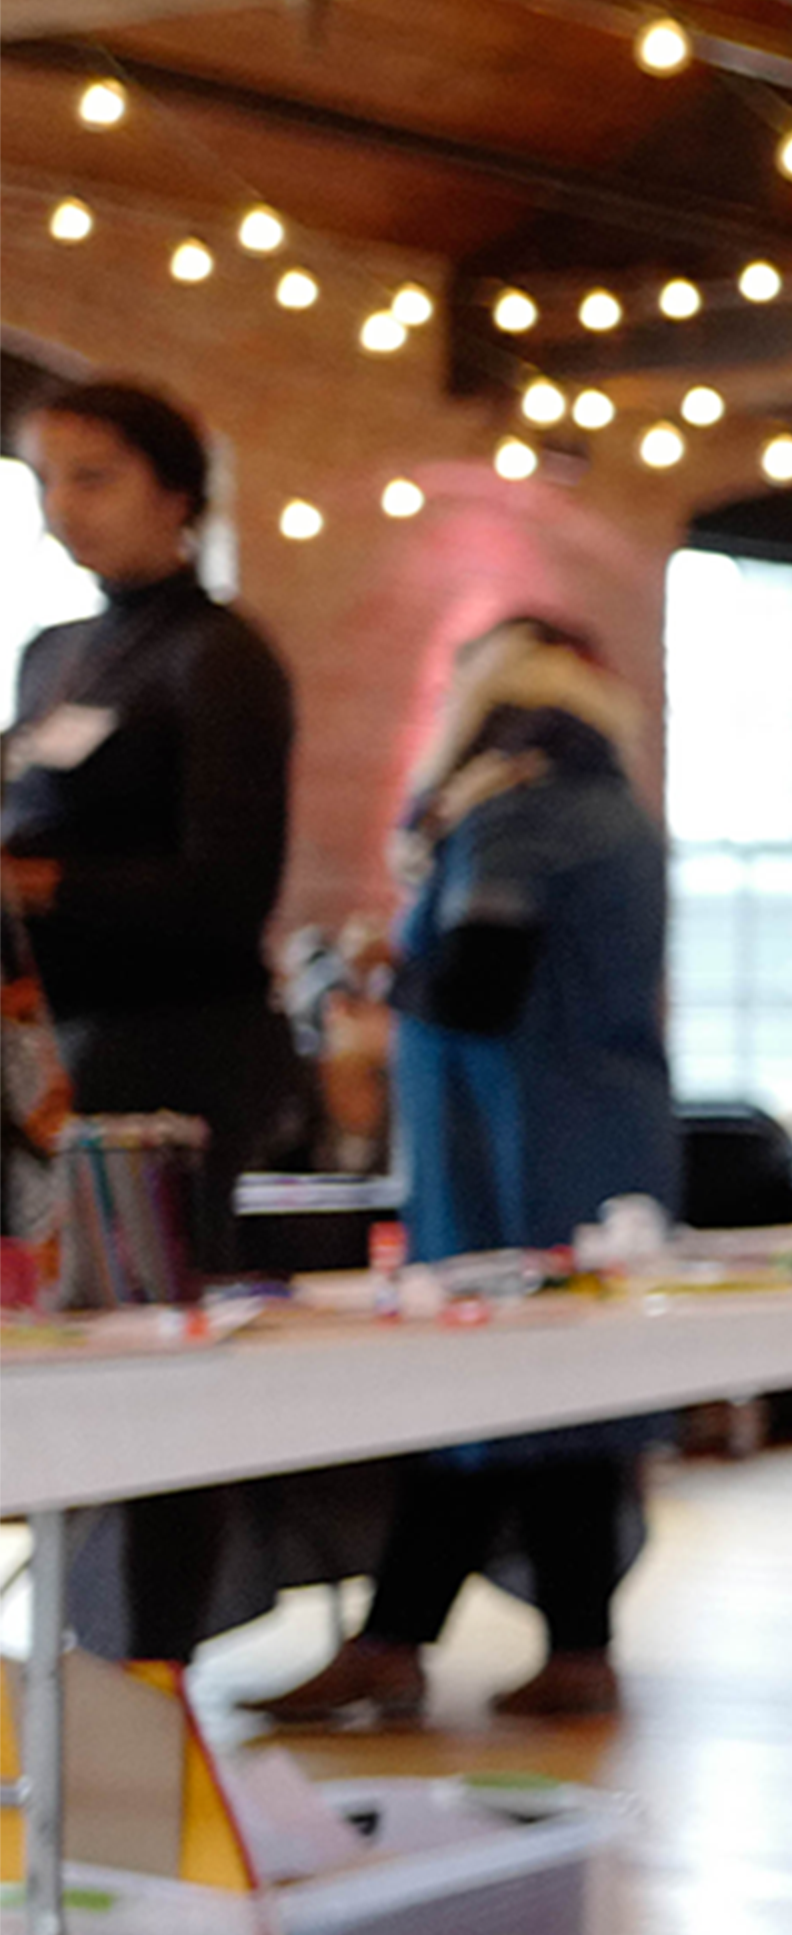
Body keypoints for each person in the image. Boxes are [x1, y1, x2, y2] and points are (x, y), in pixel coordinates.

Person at [247, 619, 674, 1726]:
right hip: (589, 1145)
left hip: (516, 1156)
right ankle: (485, 1643)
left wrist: (371, 974)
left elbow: (479, 989)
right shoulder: (610, 806)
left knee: (498, 1399)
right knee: (551, 1404)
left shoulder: (519, 812)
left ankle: (421, 1644)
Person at [16, 380, 299, 1671]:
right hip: (46, 1055)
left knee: (156, 1361)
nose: (61, 508)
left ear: (177, 492)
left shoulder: (223, 655)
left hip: (175, 1058)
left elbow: (227, 890)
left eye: (93, 477)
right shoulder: (52, 656)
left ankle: (153, 1673)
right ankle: (65, 1668)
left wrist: (43, 888)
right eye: (45, 479)